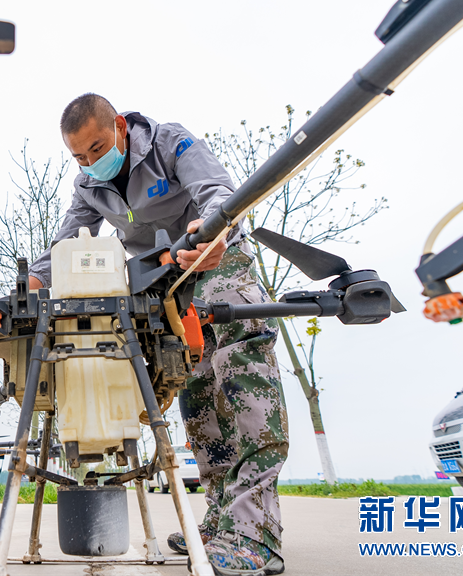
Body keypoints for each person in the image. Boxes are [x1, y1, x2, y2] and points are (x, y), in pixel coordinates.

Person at [28, 94, 288, 576]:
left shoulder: (170, 142)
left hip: (215, 260)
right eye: (79, 156)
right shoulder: (88, 185)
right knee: (196, 392)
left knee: (241, 376)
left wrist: (215, 233)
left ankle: (257, 533)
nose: (90, 162)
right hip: (163, 285)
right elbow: (67, 241)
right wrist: (34, 281)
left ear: (120, 126)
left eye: (97, 148)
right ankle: (221, 523)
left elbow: (218, 192)